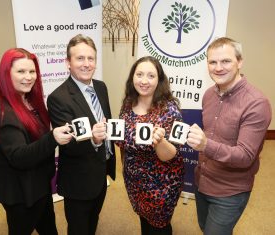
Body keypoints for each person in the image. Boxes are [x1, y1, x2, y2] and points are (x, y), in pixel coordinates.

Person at [0, 48, 73, 235]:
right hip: (19, 188)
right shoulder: (2, 111)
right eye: (21, 71)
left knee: (48, 226)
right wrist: (52, 137)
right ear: (6, 74)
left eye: (32, 72)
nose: (28, 77)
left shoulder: (27, 99)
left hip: (37, 181)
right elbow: (19, 156)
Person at [187, 37, 272, 235]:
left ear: (239, 62)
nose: (218, 68)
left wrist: (205, 145)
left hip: (229, 192)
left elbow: (244, 156)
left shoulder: (257, 104)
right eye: (212, 62)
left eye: (225, 61)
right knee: (204, 227)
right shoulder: (208, 94)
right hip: (202, 182)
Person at [47, 34, 116, 235]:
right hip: (78, 180)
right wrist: (94, 139)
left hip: (100, 173)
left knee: (93, 222)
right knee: (78, 229)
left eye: (91, 58)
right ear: (68, 63)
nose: (87, 64)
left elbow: (107, 124)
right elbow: (67, 144)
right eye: (80, 58)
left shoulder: (101, 87)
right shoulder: (58, 98)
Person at [116, 56, 185, 235]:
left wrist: (160, 141)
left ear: (159, 80)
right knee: (145, 221)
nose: (144, 81)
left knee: (159, 227)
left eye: (151, 76)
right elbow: (123, 139)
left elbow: (169, 154)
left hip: (161, 185)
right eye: (139, 74)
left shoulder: (169, 110)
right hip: (134, 181)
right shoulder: (128, 104)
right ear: (132, 77)